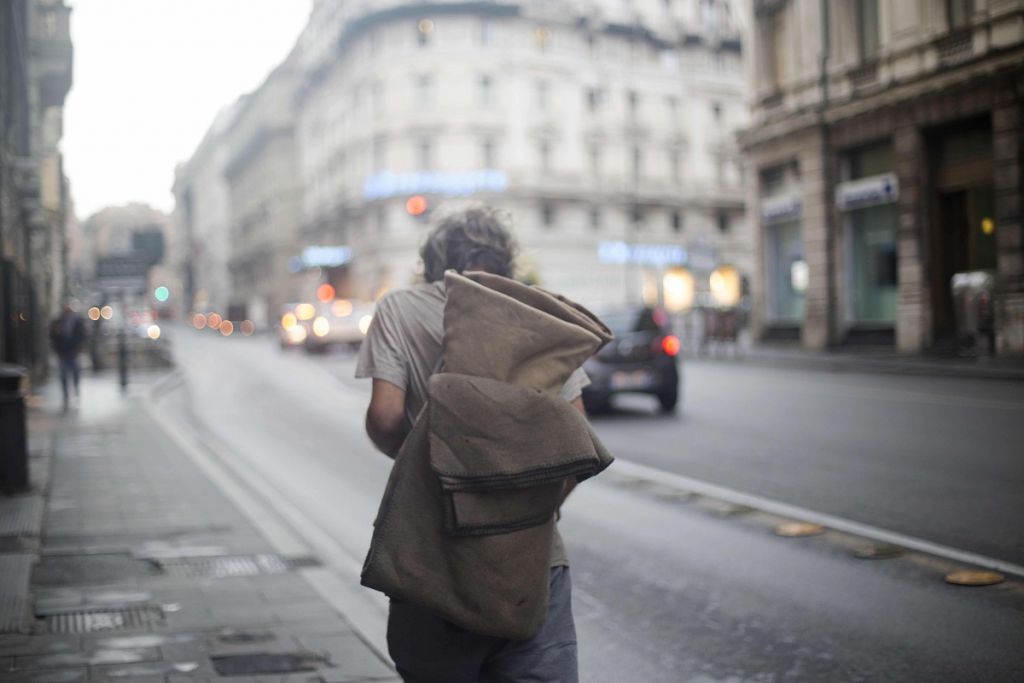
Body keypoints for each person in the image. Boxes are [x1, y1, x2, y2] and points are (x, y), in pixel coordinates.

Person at [355, 204, 591, 682]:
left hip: (435, 554)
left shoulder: (401, 308)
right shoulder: (536, 319)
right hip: (531, 558)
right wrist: (537, 506)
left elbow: (384, 416)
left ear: (436, 259)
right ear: (505, 262)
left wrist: (418, 463)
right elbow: (578, 442)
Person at [50, 302, 87, 408]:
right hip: (62, 351)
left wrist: (79, 345)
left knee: (75, 371)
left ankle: (76, 390)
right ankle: (65, 393)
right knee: (63, 373)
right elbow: (52, 334)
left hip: (73, 351)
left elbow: (82, 334)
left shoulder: (77, 321)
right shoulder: (58, 321)